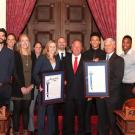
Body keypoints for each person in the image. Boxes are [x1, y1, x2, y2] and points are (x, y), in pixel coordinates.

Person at [96, 38, 124, 135]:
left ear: (114, 46)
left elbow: (117, 79)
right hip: (100, 97)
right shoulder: (101, 59)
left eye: (109, 45)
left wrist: (106, 92)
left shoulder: (119, 60)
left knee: (113, 122)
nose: (107, 47)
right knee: (102, 122)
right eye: (106, 45)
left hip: (111, 97)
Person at [33, 40, 60, 135]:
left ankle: (50, 133)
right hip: (43, 90)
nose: (52, 48)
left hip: (53, 92)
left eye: (54, 46)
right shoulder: (42, 58)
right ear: (47, 48)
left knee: (51, 114)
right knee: (41, 114)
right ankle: (40, 133)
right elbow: (35, 73)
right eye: (51, 46)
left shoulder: (57, 58)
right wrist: (39, 84)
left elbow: (58, 74)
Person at [83, 32, 106, 135]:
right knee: (87, 111)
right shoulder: (85, 54)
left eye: (97, 40)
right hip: (88, 87)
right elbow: (82, 71)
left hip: (100, 88)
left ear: (99, 42)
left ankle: (100, 131)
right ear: (90, 41)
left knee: (101, 111)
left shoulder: (105, 54)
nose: (95, 41)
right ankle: (87, 130)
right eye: (93, 40)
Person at [12, 34, 34, 135]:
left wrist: (31, 86)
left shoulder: (32, 54)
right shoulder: (15, 54)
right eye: (22, 40)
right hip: (18, 87)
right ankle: (16, 132)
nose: (25, 42)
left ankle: (25, 131)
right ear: (19, 42)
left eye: (26, 40)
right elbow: (14, 72)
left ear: (29, 42)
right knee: (17, 111)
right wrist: (21, 87)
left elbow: (36, 71)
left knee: (26, 111)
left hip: (29, 87)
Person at [63, 40, 85, 135]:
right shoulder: (65, 59)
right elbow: (61, 73)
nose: (76, 48)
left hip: (82, 94)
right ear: (71, 48)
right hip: (68, 94)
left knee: (82, 118)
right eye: (75, 46)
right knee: (68, 118)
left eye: (79, 46)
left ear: (82, 48)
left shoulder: (86, 60)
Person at [55, 37, 70, 135]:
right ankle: (55, 131)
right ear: (57, 43)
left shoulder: (70, 55)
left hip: (67, 88)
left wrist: (67, 80)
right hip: (55, 88)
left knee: (67, 111)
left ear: (66, 44)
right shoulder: (53, 55)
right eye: (59, 42)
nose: (61, 43)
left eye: (63, 42)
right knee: (54, 111)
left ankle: (65, 131)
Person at [28, 42, 43, 135]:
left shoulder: (44, 57)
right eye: (36, 47)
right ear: (33, 48)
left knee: (41, 109)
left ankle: (39, 127)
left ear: (41, 48)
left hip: (41, 87)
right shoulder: (30, 57)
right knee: (31, 108)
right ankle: (31, 128)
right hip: (33, 86)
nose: (38, 48)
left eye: (40, 47)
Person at [0, 28, 14, 108]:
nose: (0, 37)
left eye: (2, 35)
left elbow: (11, 70)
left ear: (5, 38)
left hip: (5, 88)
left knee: (5, 115)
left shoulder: (10, 52)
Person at [121, 35, 135, 105]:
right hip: (122, 86)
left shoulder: (134, 55)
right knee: (123, 108)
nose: (125, 44)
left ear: (131, 44)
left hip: (131, 87)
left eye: (127, 42)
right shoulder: (121, 56)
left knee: (130, 110)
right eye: (123, 42)